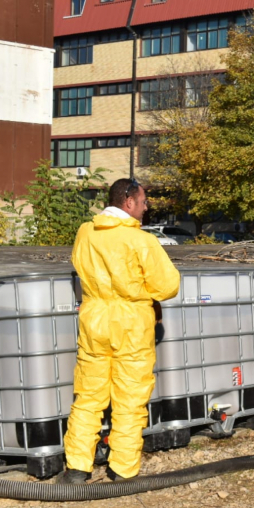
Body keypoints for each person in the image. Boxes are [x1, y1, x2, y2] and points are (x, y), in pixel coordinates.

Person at [58, 178, 180, 484]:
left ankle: (76, 468)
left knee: (88, 397)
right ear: (128, 202)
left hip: (94, 321)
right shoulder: (141, 241)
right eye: (143, 201)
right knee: (129, 399)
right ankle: (122, 470)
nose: (146, 206)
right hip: (131, 325)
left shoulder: (86, 232)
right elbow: (168, 287)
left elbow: (78, 264)